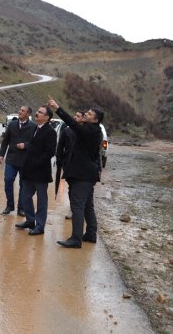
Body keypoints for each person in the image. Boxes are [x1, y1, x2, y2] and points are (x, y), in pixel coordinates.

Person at [47, 97, 104, 248]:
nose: (86, 114)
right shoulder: (94, 130)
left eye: (90, 114)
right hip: (86, 174)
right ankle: (91, 234)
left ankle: (76, 238)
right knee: (87, 206)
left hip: (81, 175)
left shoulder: (89, 131)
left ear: (95, 120)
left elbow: (72, 123)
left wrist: (57, 108)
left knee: (77, 206)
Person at [14, 106, 57, 235]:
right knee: (25, 197)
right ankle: (30, 220)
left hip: (40, 172)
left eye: (40, 112)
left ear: (47, 117)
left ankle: (40, 226)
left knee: (41, 200)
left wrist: (37, 163)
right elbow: (32, 146)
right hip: (29, 171)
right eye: (37, 111)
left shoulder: (50, 132)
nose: (37, 113)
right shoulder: (35, 128)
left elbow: (49, 152)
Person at [0, 106, 36, 216]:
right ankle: (10, 205)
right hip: (11, 159)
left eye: (22, 111)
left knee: (23, 185)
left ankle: (21, 208)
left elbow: (35, 144)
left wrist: (25, 145)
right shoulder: (12, 124)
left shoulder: (33, 127)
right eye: (19, 110)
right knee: (8, 181)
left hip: (25, 161)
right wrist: (1, 154)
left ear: (28, 114)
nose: (19, 112)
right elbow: (5, 141)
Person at [55, 110, 84, 219]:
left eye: (78, 116)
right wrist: (58, 159)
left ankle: (79, 209)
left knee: (80, 188)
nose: (75, 117)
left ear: (83, 119)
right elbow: (60, 146)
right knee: (71, 187)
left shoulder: (85, 132)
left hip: (81, 165)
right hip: (68, 163)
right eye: (75, 115)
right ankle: (72, 209)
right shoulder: (66, 131)